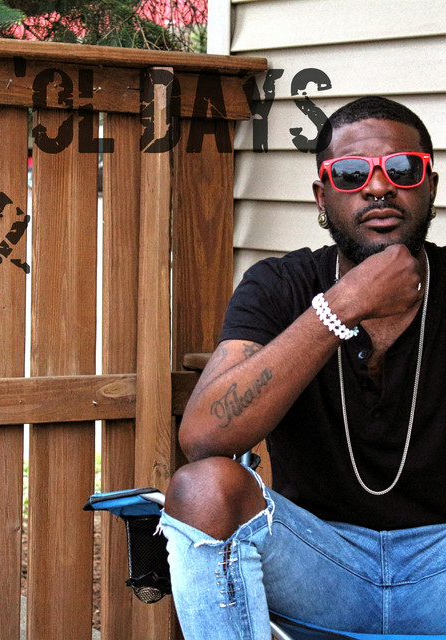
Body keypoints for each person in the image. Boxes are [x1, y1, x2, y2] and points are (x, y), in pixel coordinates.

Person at [159, 96, 446, 638]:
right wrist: (342, 306)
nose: (378, 187)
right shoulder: (280, 286)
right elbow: (203, 438)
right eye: (351, 173)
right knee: (203, 487)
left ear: (429, 186)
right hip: (320, 562)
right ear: (322, 196)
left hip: (440, 563)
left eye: (402, 169)